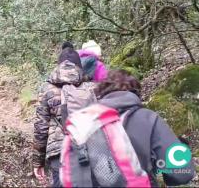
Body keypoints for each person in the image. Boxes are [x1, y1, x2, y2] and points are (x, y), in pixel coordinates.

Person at [94, 70, 195, 186]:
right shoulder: (147, 119)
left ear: (100, 94)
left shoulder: (83, 124)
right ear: (136, 93)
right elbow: (182, 173)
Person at [33, 42, 94, 187]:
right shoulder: (91, 87)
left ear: (59, 65)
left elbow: (41, 128)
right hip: (89, 147)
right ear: (79, 65)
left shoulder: (47, 89)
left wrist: (38, 161)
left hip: (59, 151)